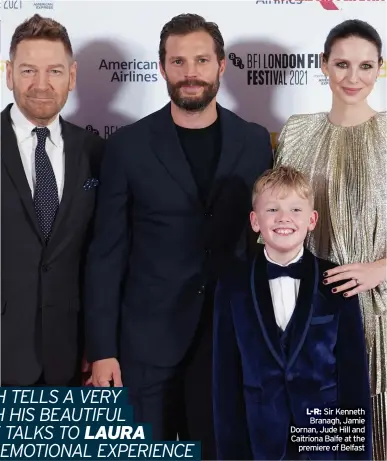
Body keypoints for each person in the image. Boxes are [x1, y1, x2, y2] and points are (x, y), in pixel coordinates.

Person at [84, 13, 273, 458]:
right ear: (162, 66)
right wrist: (103, 350)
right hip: (146, 347)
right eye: (178, 61)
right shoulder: (127, 146)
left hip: (226, 340)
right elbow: (106, 254)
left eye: (202, 60)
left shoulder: (253, 142)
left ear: (222, 66)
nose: (191, 73)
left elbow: (259, 244)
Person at [274, 19, 386, 460]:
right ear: (323, 66)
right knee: (319, 437)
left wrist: (380, 269)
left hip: (380, 314)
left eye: (365, 65)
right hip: (313, 314)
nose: (352, 77)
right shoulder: (297, 132)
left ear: (379, 69)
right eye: (341, 64)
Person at [213, 166, 372, 460]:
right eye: (272, 208)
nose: (284, 218)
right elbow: (225, 380)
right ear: (255, 221)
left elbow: (354, 378)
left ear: (312, 220)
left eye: (295, 209)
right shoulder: (233, 285)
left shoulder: (336, 282)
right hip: (259, 440)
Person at [1, 14, 104, 386]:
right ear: (9, 74)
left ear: (72, 77)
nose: (41, 85)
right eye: (28, 70)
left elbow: (102, 255)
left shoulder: (97, 153)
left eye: (54, 71)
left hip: (71, 356)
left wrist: (100, 343)